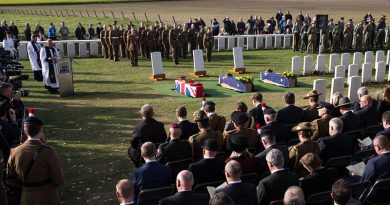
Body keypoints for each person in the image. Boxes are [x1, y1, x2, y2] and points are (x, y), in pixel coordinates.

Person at [6, 116, 64, 205]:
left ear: (25, 131)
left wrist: (25, 186)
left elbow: (10, 179)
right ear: (41, 130)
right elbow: (58, 179)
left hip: (26, 198)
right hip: (47, 197)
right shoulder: (49, 152)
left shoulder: (15, 151)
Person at [358, 135, 390, 202]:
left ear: (378, 147)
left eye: (374, 146)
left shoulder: (373, 162)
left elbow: (363, 182)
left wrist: (354, 175)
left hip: (377, 196)